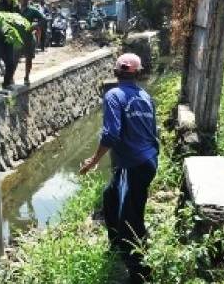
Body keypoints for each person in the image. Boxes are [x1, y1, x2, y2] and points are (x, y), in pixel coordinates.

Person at [79, 53, 158, 284]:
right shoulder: (146, 97)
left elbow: (111, 134)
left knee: (130, 220)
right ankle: (117, 245)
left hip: (134, 165)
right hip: (145, 162)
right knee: (111, 197)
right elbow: (153, 133)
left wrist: (93, 161)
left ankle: (140, 274)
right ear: (139, 73)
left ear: (116, 73)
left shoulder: (113, 95)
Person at [16, 0, 45, 86]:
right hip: (16, 37)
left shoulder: (33, 10)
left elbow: (43, 19)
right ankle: (10, 78)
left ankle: (26, 77)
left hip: (28, 38)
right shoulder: (15, 10)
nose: (25, 0)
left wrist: (36, 25)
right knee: (13, 59)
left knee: (28, 59)